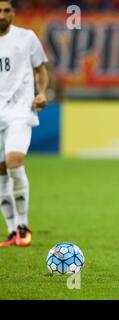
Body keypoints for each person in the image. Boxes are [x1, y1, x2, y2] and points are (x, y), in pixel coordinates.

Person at [0, 0, 49, 247]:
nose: (2, 15)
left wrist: (41, 93)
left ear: (13, 13)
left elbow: (41, 71)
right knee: (1, 172)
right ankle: (11, 231)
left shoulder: (26, 38)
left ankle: (23, 226)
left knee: (14, 162)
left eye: (6, 10)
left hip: (20, 109)